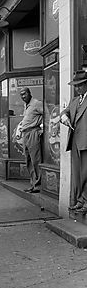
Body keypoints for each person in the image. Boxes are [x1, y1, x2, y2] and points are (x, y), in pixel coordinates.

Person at [60, 70, 87, 214]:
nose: (77, 89)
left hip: (86, 141)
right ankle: (80, 200)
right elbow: (65, 112)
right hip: (75, 141)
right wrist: (64, 117)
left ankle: (86, 202)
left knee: (86, 173)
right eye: (75, 86)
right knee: (77, 173)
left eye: (80, 85)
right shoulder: (75, 100)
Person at [18, 87, 43, 193]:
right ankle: (33, 184)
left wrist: (42, 128)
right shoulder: (26, 105)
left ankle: (38, 185)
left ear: (29, 94)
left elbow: (47, 115)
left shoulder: (37, 103)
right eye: (21, 95)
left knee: (36, 160)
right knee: (28, 160)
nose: (23, 97)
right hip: (26, 134)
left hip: (33, 132)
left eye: (25, 94)